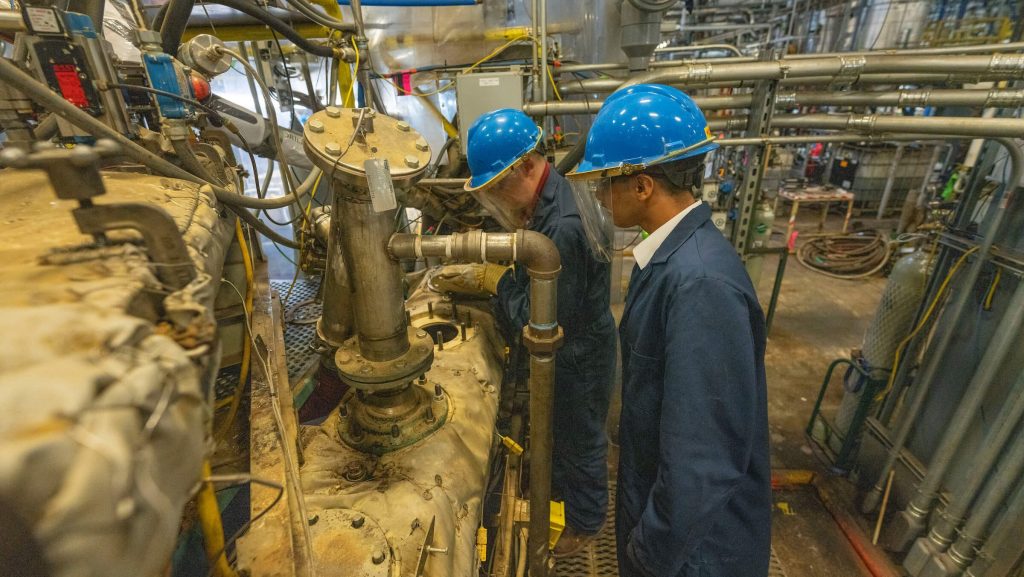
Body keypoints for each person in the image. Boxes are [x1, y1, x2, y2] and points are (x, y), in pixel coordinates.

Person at [567, 84, 771, 577]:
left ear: (642, 186)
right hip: (665, 519)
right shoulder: (667, 256)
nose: (597, 195)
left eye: (605, 182)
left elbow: (703, 459)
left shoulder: (701, 284)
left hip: (692, 553)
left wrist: (648, 554)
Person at [433, 108, 617, 556]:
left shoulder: (563, 229)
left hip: (578, 354)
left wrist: (497, 282)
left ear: (526, 167)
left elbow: (545, 320)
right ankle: (555, 490)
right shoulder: (551, 197)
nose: (496, 198)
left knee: (581, 437)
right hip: (581, 339)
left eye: (498, 186)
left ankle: (587, 522)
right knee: (562, 431)